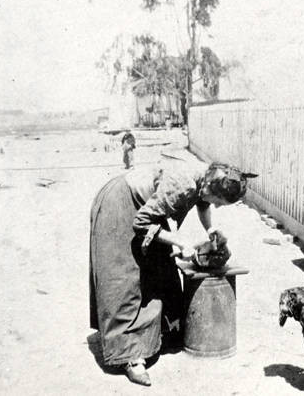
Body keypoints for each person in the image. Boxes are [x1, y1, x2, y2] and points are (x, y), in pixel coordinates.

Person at [89, 161, 257, 386]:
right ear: (210, 188)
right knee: (125, 279)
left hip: (146, 208)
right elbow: (140, 223)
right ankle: (130, 357)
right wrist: (181, 243)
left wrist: (210, 230)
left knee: (159, 270)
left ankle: (155, 338)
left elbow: (203, 203)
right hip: (121, 204)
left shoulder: (208, 178)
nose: (216, 207)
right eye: (218, 202)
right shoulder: (184, 183)